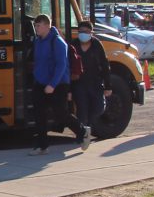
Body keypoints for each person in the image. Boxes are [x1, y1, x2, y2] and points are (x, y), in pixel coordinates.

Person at [28, 15, 70, 154]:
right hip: (40, 83)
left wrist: (52, 84)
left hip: (57, 84)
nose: (36, 28)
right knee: (39, 114)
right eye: (35, 25)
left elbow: (61, 65)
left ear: (47, 25)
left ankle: (82, 131)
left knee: (61, 114)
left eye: (38, 25)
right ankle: (43, 146)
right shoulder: (38, 41)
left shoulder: (57, 42)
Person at [70, 21, 106, 144]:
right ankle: (81, 136)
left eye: (85, 32)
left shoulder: (97, 45)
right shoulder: (73, 45)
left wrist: (108, 85)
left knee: (99, 107)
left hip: (95, 82)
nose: (82, 34)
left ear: (91, 33)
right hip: (79, 83)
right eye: (80, 32)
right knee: (82, 110)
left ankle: (88, 126)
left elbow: (105, 65)